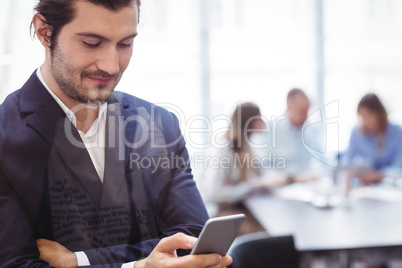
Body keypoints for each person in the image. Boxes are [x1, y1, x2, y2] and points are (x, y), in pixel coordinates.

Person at [0, 1, 231, 268]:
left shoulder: (159, 124)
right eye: (91, 43)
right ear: (44, 32)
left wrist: (79, 260)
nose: (111, 66)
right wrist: (141, 263)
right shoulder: (6, 138)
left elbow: (194, 241)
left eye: (125, 44)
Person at [202, 102, 287, 235]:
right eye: (258, 119)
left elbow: (262, 175)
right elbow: (216, 194)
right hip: (221, 215)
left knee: (275, 226)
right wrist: (253, 185)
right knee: (267, 234)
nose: (262, 123)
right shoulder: (223, 148)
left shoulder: (247, 148)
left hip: (239, 211)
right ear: (249, 121)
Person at [253, 88, 324, 182]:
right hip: (279, 188)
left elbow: (321, 160)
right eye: (302, 111)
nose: (306, 116)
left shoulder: (311, 131)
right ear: (289, 107)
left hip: (308, 186)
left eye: (307, 111)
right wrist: (291, 178)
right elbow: (263, 168)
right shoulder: (270, 131)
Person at [343, 93, 402, 184]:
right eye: (362, 116)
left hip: (389, 185)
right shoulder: (357, 132)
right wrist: (359, 171)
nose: (365, 121)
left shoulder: (398, 132)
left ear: (379, 114)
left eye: (368, 115)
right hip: (363, 185)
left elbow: (399, 165)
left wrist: (379, 175)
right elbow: (347, 160)